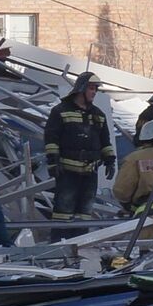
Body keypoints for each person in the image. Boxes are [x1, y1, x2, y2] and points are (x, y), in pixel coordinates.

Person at [43, 71, 114, 221]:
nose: (94, 92)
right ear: (81, 88)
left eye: (96, 89)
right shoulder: (60, 111)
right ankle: (60, 242)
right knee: (63, 213)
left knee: (84, 215)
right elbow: (51, 139)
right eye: (91, 88)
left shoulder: (98, 115)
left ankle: (80, 244)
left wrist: (110, 161)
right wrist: (52, 162)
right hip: (67, 173)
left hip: (90, 173)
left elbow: (105, 141)